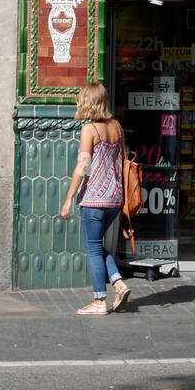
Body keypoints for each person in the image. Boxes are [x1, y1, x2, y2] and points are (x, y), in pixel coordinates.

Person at [61, 82, 130, 317]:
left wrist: (69, 198)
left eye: (82, 99)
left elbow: (83, 165)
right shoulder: (117, 127)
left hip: (93, 200)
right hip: (114, 198)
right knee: (98, 246)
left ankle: (100, 300)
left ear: (90, 102)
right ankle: (119, 284)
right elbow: (122, 160)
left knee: (92, 249)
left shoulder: (90, 130)